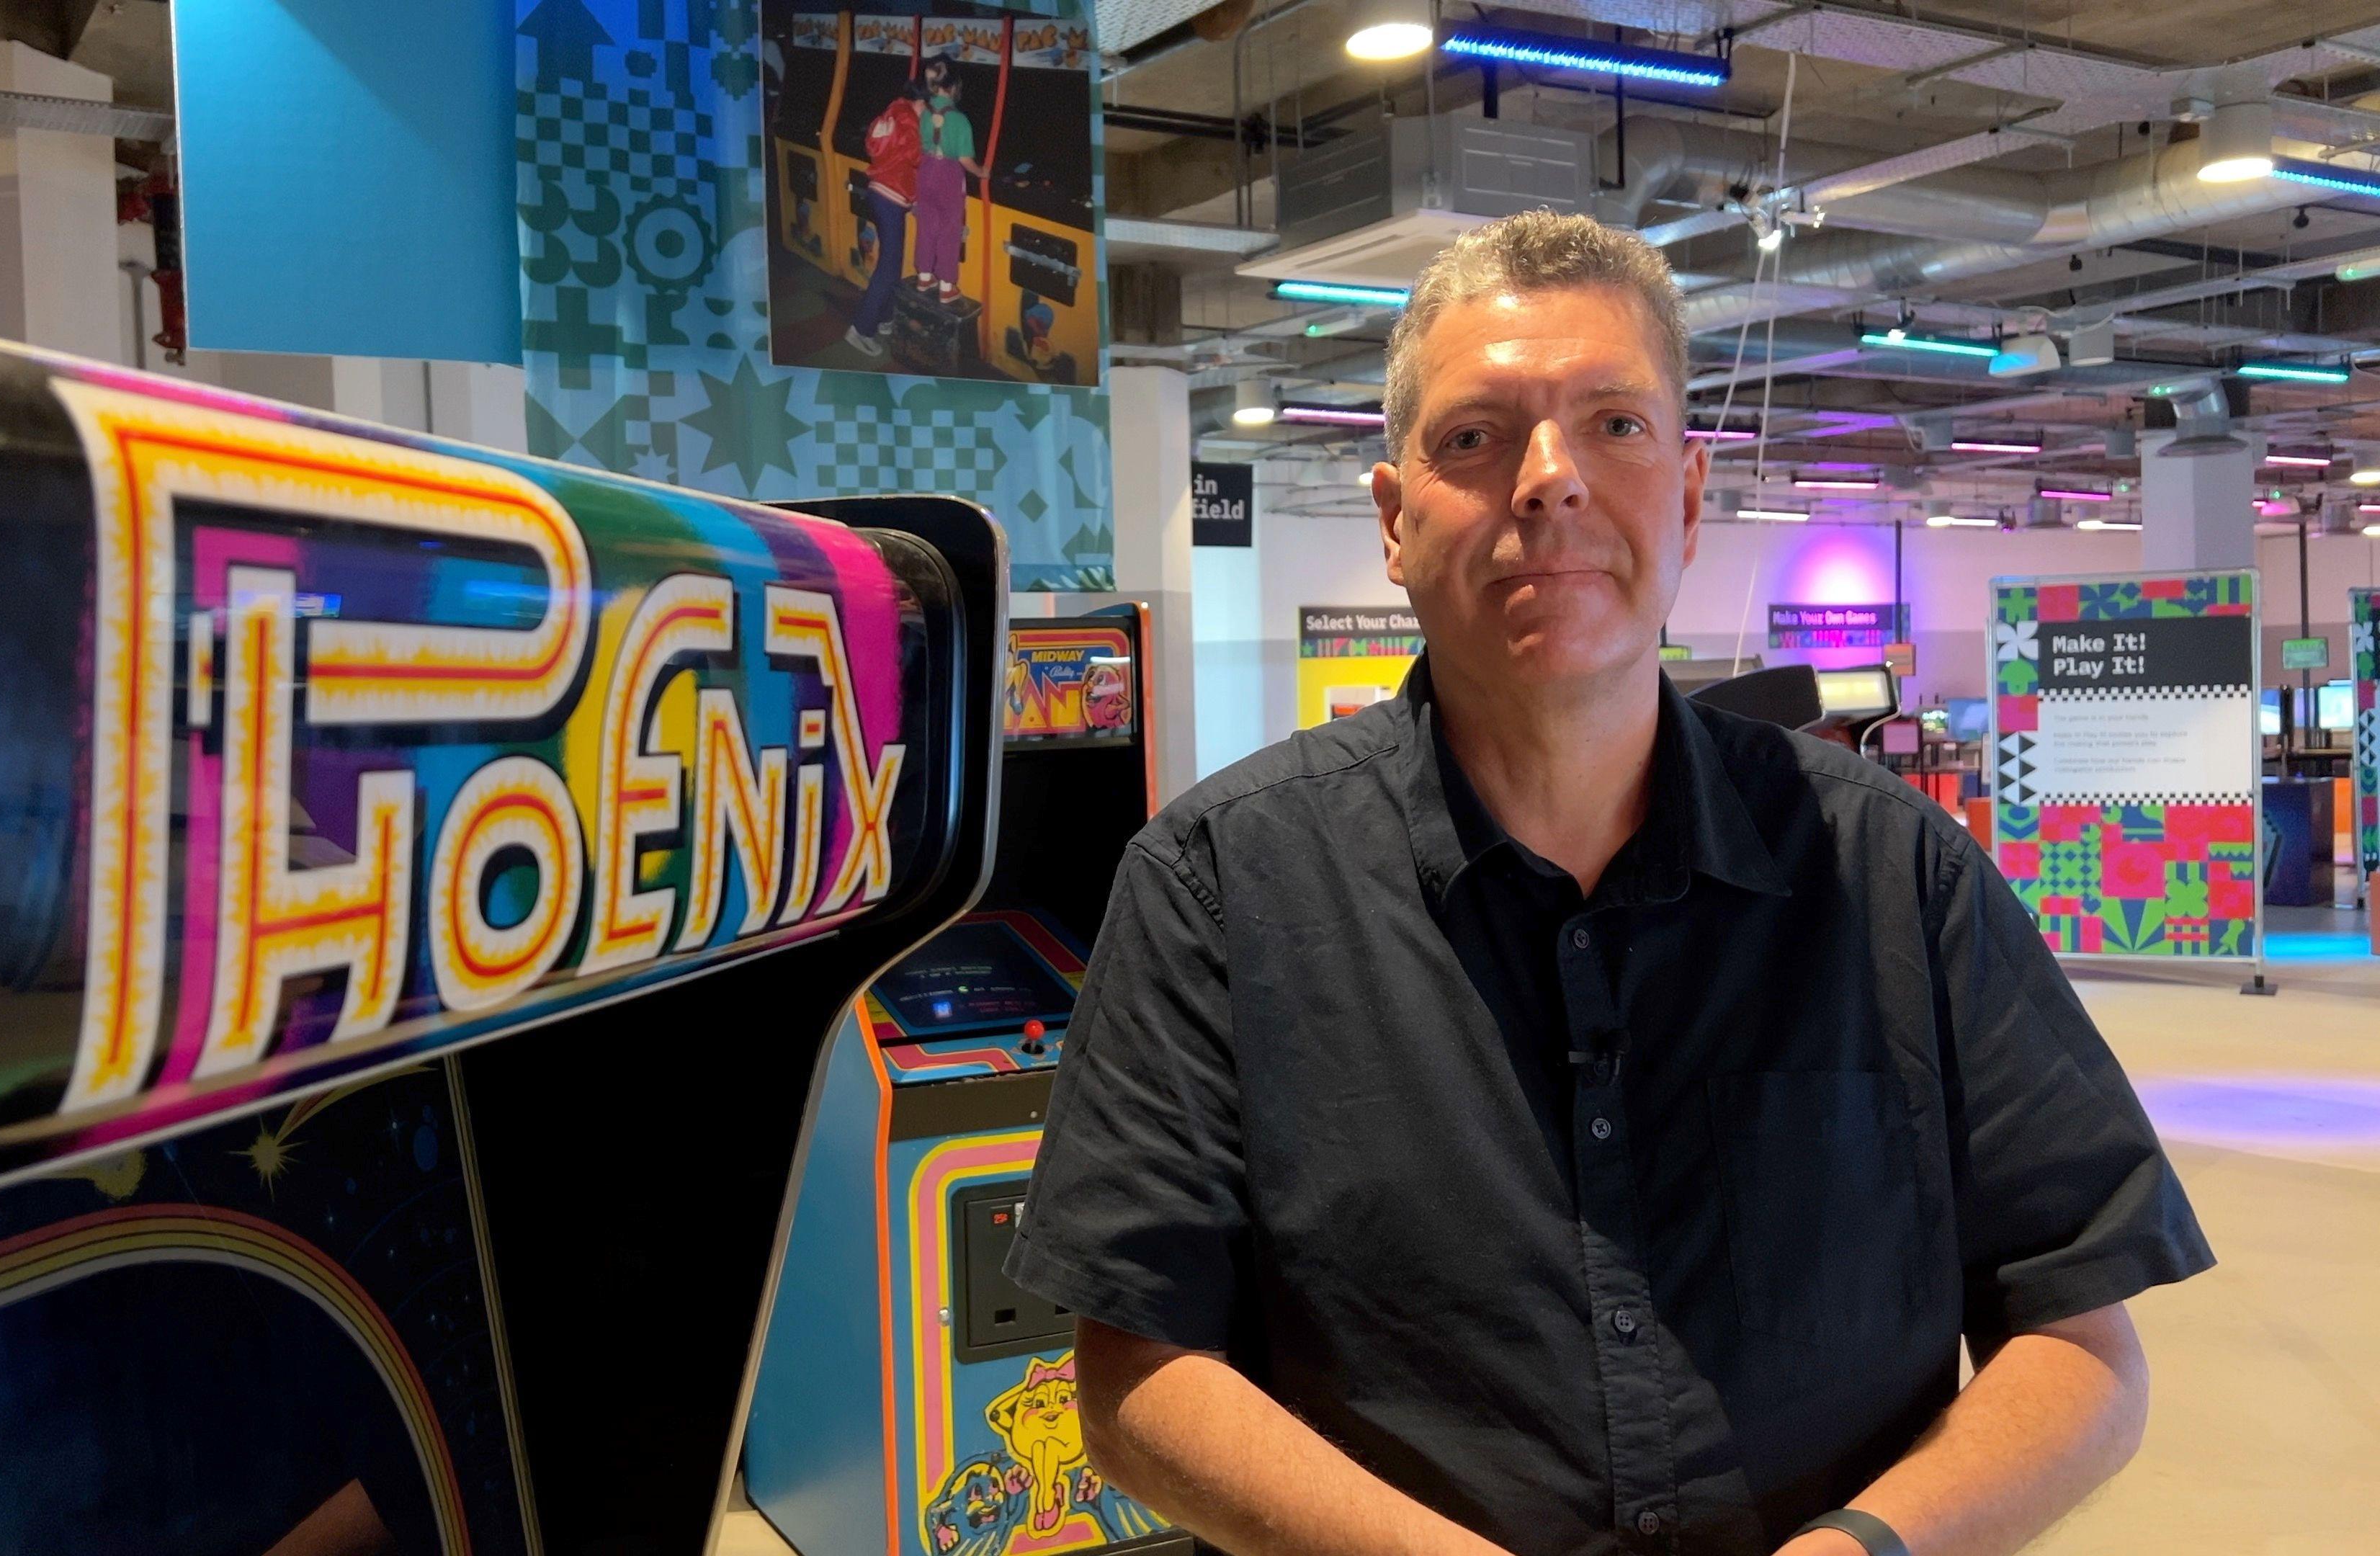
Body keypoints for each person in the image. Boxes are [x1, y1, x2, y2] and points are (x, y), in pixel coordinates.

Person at [1003, 209, 2211, 1556]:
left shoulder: (1895, 873)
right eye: (1474, 437)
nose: (1548, 480)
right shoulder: (1217, 887)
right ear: (1396, 525)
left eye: (1614, 425)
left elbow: (2084, 1346)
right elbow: (1135, 1381)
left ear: (1692, 496)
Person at [846, 78, 923, 358]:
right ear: (922, 103)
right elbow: (914, 156)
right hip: (890, 197)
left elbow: (888, 152)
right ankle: (860, 329)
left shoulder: (894, 111)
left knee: (892, 260)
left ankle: (886, 317)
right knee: (889, 266)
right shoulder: (909, 118)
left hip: (882, 194)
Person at [912, 58, 984, 305]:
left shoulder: (923, 113)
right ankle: (946, 286)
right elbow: (965, 159)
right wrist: (981, 172)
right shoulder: (960, 120)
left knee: (927, 224)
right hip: (948, 175)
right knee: (949, 230)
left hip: (925, 170)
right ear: (954, 86)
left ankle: (923, 277)